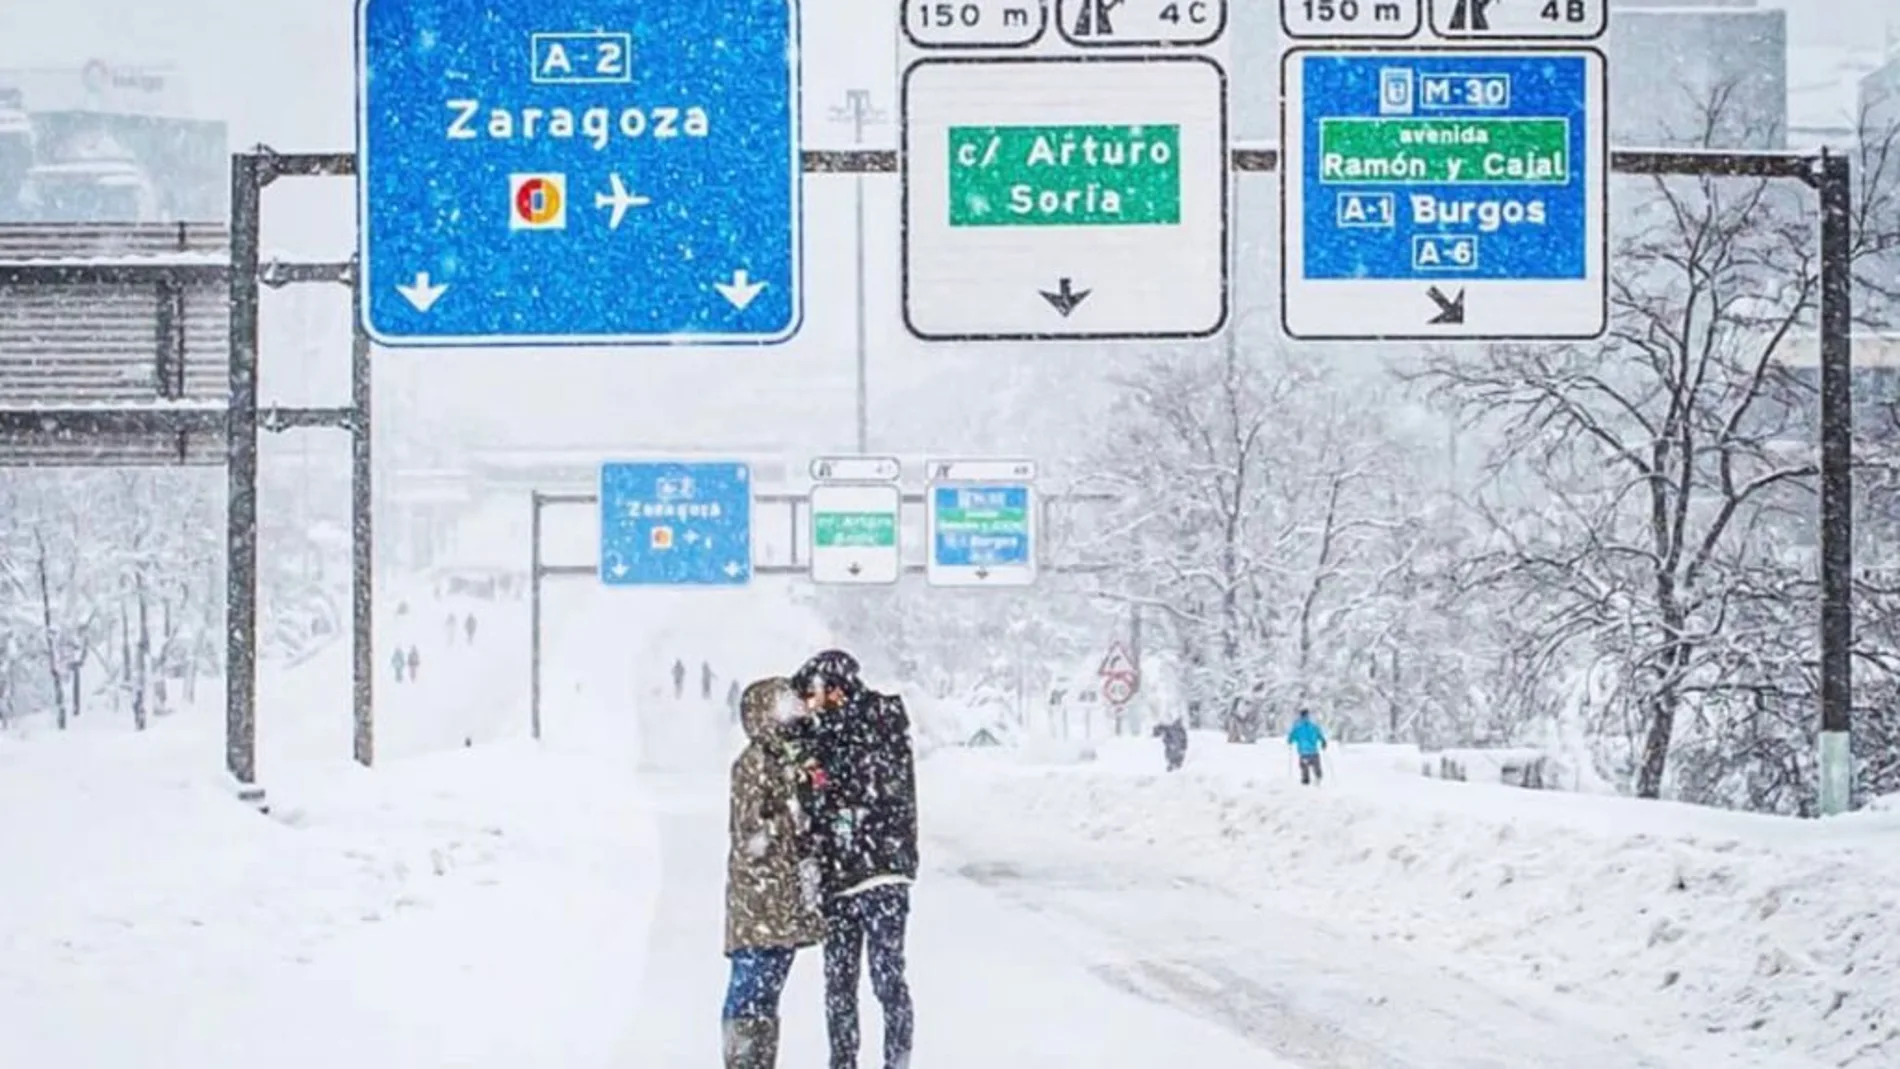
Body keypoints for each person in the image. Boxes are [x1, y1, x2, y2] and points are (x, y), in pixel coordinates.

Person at [792, 649, 917, 1069]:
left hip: (876, 872)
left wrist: (817, 766)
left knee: (880, 979)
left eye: (814, 695)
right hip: (848, 876)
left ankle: (890, 1061)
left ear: (836, 690)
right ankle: (846, 1061)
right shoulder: (837, 731)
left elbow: (853, 797)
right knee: (844, 983)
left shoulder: (873, 723)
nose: (810, 705)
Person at [722, 677, 827, 1068]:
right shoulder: (753, 763)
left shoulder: (789, 761)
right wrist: (793, 821)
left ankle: (759, 1059)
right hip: (758, 899)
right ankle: (743, 1060)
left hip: (781, 900)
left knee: (767, 991)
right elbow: (751, 829)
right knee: (750, 987)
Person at [1288, 708, 1327, 785]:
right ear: (1308, 715)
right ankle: (1318, 783)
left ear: (1301, 716)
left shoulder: (1297, 727)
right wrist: (1323, 742)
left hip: (1304, 753)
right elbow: (1320, 735)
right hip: (1314, 752)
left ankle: (1306, 786)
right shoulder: (1313, 726)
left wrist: (1291, 740)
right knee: (1317, 770)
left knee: (1305, 771)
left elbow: (1290, 739)